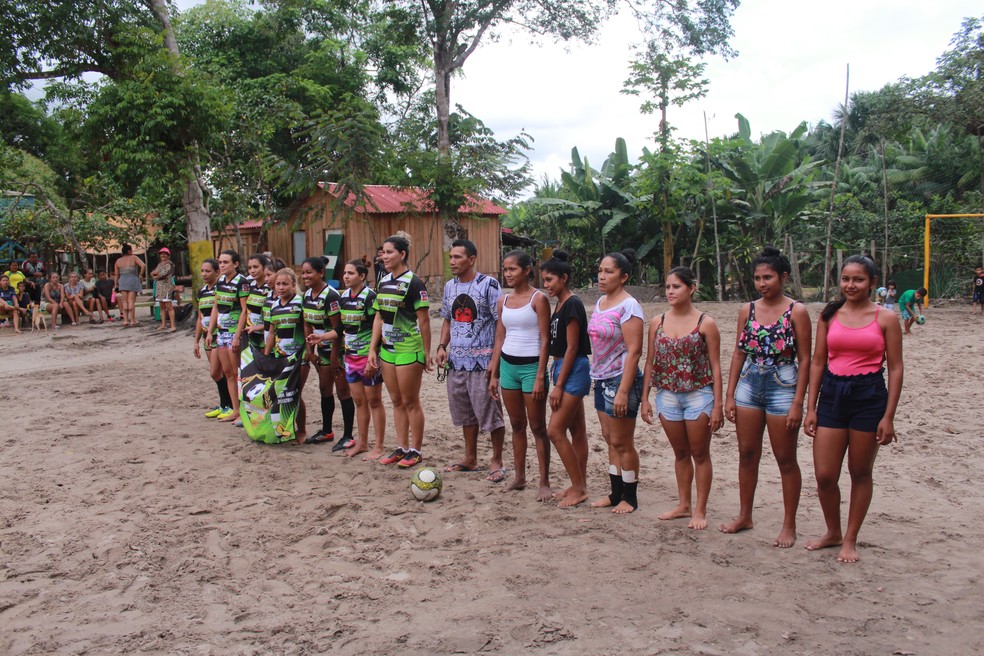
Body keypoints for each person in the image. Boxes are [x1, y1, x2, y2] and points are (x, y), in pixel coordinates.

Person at [804, 254, 903, 563]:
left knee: (860, 472)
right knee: (824, 475)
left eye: (858, 279)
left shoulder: (885, 318)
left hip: (869, 396)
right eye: (846, 279)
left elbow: (897, 368)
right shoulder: (829, 315)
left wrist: (888, 416)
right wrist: (811, 407)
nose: (851, 285)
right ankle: (832, 531)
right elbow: (818, 361)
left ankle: (850, 538)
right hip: (832, 395)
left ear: (873, 283)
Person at [720, 247, 811, 547]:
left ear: (783, 277)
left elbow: (806, 358)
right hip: (749, 382)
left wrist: (799, 402)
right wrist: (730, 395)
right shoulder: (747, 309)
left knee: (786, 458)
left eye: (768, 277)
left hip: (783, 384)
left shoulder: (796, 311)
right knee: (747, 454)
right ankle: (745, 515)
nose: (762, 283)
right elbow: (738, 352)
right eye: (758, 278)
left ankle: (789, 525)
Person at [641, 266, 724, 529]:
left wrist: (718, 405)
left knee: (700, 453)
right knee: (680, 453)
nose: (670, 292)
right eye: (667, 287)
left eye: (676, 286)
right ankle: (684, 504)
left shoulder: (706, 323)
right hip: (667, 395)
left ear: (691, 288)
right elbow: (650, 362)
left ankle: (700, 510)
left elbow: (716, 366)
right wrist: (645, 398)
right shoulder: (657, 321)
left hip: (699, 395)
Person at [437, 239, 507, 480]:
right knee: (464, 411)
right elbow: (448, 318)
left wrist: (494, 362)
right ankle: (470, 457)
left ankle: (497, 460)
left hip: (483, 361)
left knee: (490, 411)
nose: (453, 261)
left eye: (458, 257)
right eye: (451, 257)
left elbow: (501, 324)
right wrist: (442, 346)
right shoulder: (449, 287)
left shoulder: (489, 285)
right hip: (456, 361)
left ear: (472, 259)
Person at [584, 250, 645, 514]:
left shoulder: (629, 305)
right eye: (600, 270)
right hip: (600, 378)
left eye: (609, 271)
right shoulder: (600, 302)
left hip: (621, 380)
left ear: (624, 277)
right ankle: (615, 492)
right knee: (610, 439)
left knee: (623, 441)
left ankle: (630, 498)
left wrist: (623, 391)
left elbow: (634, 351)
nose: (602, 275)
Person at [367, 232, 432, 468]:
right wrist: (372, 349)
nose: (384, 256)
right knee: (395, 400)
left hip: (408, 350)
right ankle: (402, 447)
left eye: (389, 252)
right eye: (383, 252)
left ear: (402, 254)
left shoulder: (414, 283)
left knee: (410, 401)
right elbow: (378, 317)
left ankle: (415, 450)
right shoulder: (382, 281)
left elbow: (424, 321)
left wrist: (426, 353)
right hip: (388, 351)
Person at [489, 249, 551, 496]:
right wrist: (494, 373)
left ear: (527, 270)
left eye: (513, 269)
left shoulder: (539, 299)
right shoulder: (502, 301)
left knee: (537, 427)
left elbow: (545, 340)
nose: (508, 274)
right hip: (508, 367)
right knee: (516, 424)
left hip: (531, 368)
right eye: (505, 269)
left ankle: (544, 481)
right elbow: (499, 337)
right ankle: (520, 477)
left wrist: (539, 376)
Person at [541, 251, 592, 508]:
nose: (546, 285)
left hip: (572, 369)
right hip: (561, 365)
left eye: (550, 280)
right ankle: (577, 482)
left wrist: (558, 385)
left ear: (564, 278)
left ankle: (580, 488)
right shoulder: (560, 304)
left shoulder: (572, 303)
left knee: (554, 430)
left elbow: (573, 347)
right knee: (576, 430)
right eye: (544, 281)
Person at [332, 259, 386, 458]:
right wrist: (322, 336)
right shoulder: (342, 297)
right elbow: (341, 329)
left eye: (351, 273)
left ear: (362, 276)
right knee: (360, 402)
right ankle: (362, 443)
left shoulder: (370, 297)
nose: (346, 276)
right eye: (345, 272)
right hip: (350, 357)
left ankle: (378, 446)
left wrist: (374, 353)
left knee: (374, 401)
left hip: (368, 357)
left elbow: (378, 327)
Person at [300, 256, 354, 446]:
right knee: (325, 389)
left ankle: (348, 435)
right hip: (320, 351)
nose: (305, 276)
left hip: (336, 352)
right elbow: (307, 324)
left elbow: (338, 330)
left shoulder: (331, 296)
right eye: (303, 272)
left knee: (343, 392)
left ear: (321, 273)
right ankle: (327, 431)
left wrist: (334, 358)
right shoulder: (306, 296)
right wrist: (310, 350)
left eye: (309, 272)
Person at [265, 267, 307, 443]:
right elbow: (272, 332)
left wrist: (307, 353)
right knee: (281, 395)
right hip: (280, 357)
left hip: (299, 357)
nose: (281, 288)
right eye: (278, 284)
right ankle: (283, 428)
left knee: (296, 393)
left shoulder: (301, 303)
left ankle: (302, 430)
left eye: (284, 284)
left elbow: (306, 329)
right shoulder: (273, 305)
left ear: (293, 285)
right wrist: (266, 355)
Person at [206, 249, 250, 421]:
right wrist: (210, 331)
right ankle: (235, 410)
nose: (222, 265)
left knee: (238, 372)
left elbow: (244, 309)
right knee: (228, 372)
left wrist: (237, 335)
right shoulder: (220, 282)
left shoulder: (242, 282)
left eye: (225, 262)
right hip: (221, 332)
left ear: (236, 264)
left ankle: (245, 411)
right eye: (220, 262)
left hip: (234, 332)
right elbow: (215, 307)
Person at [193, 259, 231, 418]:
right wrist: (196, 340)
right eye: (202, 271)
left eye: (207, 271)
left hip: (219, 335)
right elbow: (200, 317)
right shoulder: (201, 291)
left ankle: (230, 405)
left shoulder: (221, 289)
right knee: (218, 374)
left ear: (217, 272)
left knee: (219, 372)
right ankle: (224, 405)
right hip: (207, 337)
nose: (203, 274)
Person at [114, 244, 146, 327]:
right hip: (132, 280)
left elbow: (116, 274)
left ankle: (125, 320)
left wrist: (115, 284)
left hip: (123, 281)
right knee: (131, 301)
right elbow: (143, 265)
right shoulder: (134, 258)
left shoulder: (118, 261)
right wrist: (140, 274)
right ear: (129, 251)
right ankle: (132, 320)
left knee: (124, 301)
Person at [151, 247, 176, 332]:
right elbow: (153, 273)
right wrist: (156, 274)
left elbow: (162, 274)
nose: (163, 255)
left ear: (168, 255)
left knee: (169, 306)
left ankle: (173, 325)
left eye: (165, 254)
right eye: (162, 254)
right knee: (161, 306)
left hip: (167, 287)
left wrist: (156, 275)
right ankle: (163, 324)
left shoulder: (170, 264)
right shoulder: (160, 264)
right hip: (159, 287)